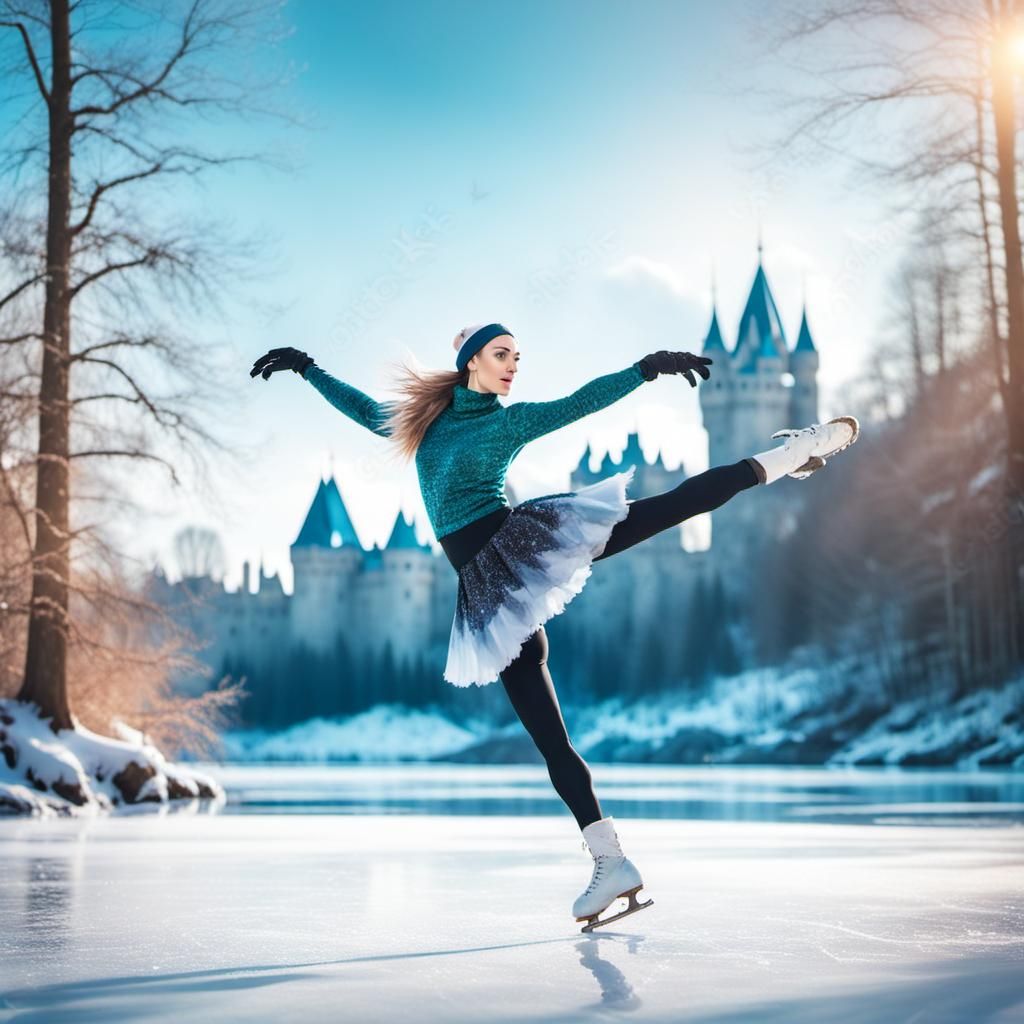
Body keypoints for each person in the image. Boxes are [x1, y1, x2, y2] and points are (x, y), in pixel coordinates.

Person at [250, 323, 859, 931]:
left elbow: (578, 402)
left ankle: (790, 453)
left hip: (525, 546)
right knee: (551, 741)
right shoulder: (426, 423)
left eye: (517, 356)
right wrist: (308, 369)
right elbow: (366, 411)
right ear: (471, 362)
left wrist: (645, 369)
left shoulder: (508, 423)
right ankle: (610, 861)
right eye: (501, 355)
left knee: (669, 506)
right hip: (492, 594)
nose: (513, 365)